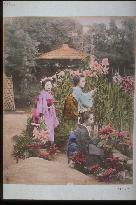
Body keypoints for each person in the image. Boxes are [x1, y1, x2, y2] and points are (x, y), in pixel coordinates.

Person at [36, 78, 59, 144]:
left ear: (52, 86)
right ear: (44, 86)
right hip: (45, 114)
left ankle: (51, 144)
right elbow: (40, 104)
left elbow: (51, 103)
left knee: (51, 127)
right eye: (47, 85)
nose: (49, 87)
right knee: (46, 127)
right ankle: (45, 143)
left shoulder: (50, 94)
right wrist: (41, 114)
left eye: (50, 85)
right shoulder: (42, 94)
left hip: (50, 114)